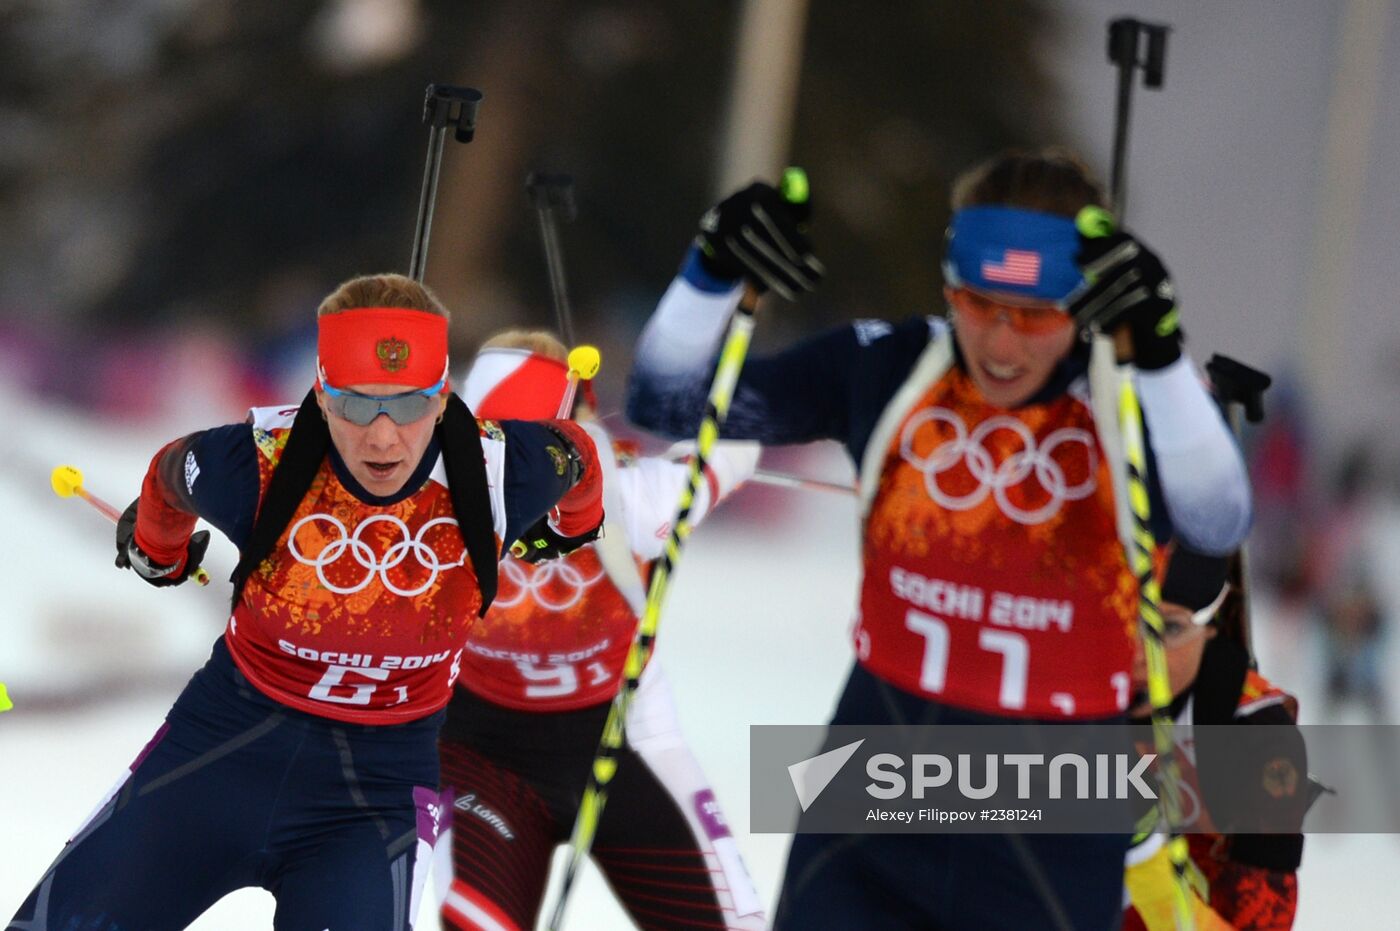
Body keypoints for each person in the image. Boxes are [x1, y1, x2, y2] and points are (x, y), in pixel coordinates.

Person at [625, 149, 1253, 929]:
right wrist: (709, 273)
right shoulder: (891, 364)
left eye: (1036, 316)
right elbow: (669, 402)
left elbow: (1216, 519)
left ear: (1084, 304)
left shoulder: (1126, 399)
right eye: (978, 303)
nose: (1001, 343)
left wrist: (1156, 357)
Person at [8, 274, 604, 931]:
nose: (383, 437)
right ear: (322, 393)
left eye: (407, 405)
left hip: (373, 800)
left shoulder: (504, 469)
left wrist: (571, 528)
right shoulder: (256, 461)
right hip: (218, 759)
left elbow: (579, 459)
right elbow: (171, 472)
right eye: (356, 404)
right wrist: (158, 547)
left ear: (442, 397)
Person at [436, 329, 765, 931]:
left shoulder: (639, 499)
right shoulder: (439, 492)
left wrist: (671, 463)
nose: (511, 469)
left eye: (534, 445)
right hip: (477, 751)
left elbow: (739, 444)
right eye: (490, 441)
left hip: (625, 740)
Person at [1123, 544, 1308, 931]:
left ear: (1210, 627)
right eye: (1121, 621)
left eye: (1169, 628)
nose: (1140, 653)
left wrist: (1150, 872)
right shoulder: (1061, 698)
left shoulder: (1256, 734)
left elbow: (1261, 921)